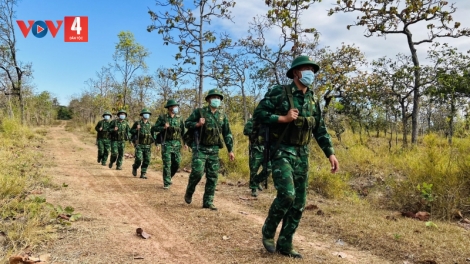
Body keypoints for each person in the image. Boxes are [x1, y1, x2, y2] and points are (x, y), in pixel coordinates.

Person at [253, 55, 339, 259]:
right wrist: (281, 118)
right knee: (287, 195)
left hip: (303, 154)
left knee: (299, 202)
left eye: (312, 69)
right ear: (295, 72)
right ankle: (268, 230)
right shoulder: (279, 92)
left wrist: (330, 153)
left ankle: (285, 243)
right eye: (306, 68)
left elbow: (320, 129)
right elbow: (259, 114)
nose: (310, 72)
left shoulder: (312, 99)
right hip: (282, 151)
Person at [183, 89, 235, 210]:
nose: (216, 99)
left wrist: (230, 150)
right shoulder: (200, 112)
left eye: (218, 98)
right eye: (214, 97)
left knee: (212, 176)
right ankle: (189, 191)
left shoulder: (222, 116)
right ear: (208, 100)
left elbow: (227, 134)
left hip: (214, 149)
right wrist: (197, 124)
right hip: (200, 147)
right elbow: (187, 123)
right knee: (197, 172)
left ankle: (208, 201)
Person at [152, 100, 186, 189]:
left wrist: (185, 143)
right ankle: (166, 183)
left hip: (177, 144)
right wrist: (163, 127)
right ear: (169, 108)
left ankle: (169, 177)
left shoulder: (180, 118)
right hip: (166, 143)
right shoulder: (163, 118)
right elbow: (155, 128)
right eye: (174, 106)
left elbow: (183, 131)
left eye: (176, 106)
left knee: (177, 163)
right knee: (167, 163)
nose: (176, 108)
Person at [243, 116, 271, 197]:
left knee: (269, 168)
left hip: (266, 148)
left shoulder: (268, 120)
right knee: (254, 169)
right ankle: (254, 188)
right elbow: (245, 131)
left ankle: (257, 181)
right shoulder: (252, 121)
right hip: (255, 148)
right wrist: (255, 129)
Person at [130, 108, 154, 179]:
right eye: (145, 114)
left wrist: (156, 143)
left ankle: (143, 173)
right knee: (139, 159)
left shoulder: (151, 124)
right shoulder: (137, 123)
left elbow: (153, 135)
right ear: (142, 115)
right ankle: (135, 167)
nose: (147, 115)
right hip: (139, 145)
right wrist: (136, 129)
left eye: (148, 114)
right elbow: (131, 131)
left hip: (148, 145)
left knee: (147, 160)